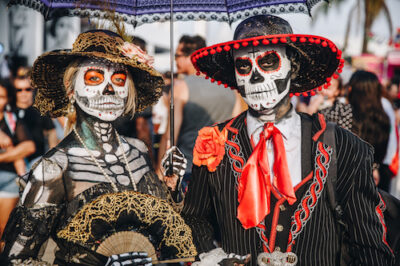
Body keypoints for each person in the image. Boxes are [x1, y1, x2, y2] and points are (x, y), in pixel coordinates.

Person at [179, 15, 394, 265]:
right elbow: (195, 219)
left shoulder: (343, 146)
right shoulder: (215, 142)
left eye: (268, 62)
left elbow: (369, 246)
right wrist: (212, 255)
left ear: (294, 66)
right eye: (244, 67)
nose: (256, 78)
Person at [0, 30, 194, 265]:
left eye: (119, 79)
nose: (109, 89)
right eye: (94, 78)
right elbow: (16, 259)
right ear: (71, 90)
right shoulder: (54, 168)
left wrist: (172, 189)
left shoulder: (138, 151)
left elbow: (163, 227)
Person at [158, 35, 241, 189]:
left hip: (188, 170)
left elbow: (170, 136)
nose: (175, 60)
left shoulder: (180, 87)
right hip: (222, 171)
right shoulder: (229, 87)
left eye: (177, 55)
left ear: (191, 56)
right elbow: (235, 131)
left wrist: (160, 171)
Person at [0, 79, 35, 246]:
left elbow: (28, 146)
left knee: (3, 229)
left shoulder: (12, 120)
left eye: (1, 96)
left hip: (8, 181)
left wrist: (5, 154)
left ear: (7, 99)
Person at [347, 70, 392, 190]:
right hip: (379, 174)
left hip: (349, 177)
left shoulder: (346, 113)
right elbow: (390, 146)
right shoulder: (383, 116)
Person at [12, 67, 58, 167]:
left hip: (37, 160)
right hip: (14, 161)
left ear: (32, 90)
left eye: (27, 89)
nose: (23, 93)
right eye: (19, 90)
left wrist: (51, 157)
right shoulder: (9, 111)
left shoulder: (40, 111)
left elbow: (51, 134)